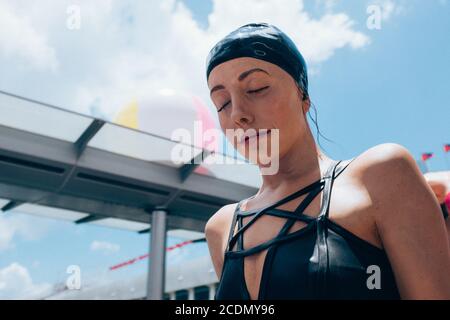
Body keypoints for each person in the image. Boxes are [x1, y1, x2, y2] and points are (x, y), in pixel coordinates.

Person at [204, 23, 450, 300]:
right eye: (222, 103)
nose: (237, 114)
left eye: (256, 88)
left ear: (303, 95)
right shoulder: (222, 227)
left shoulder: (380, 176)